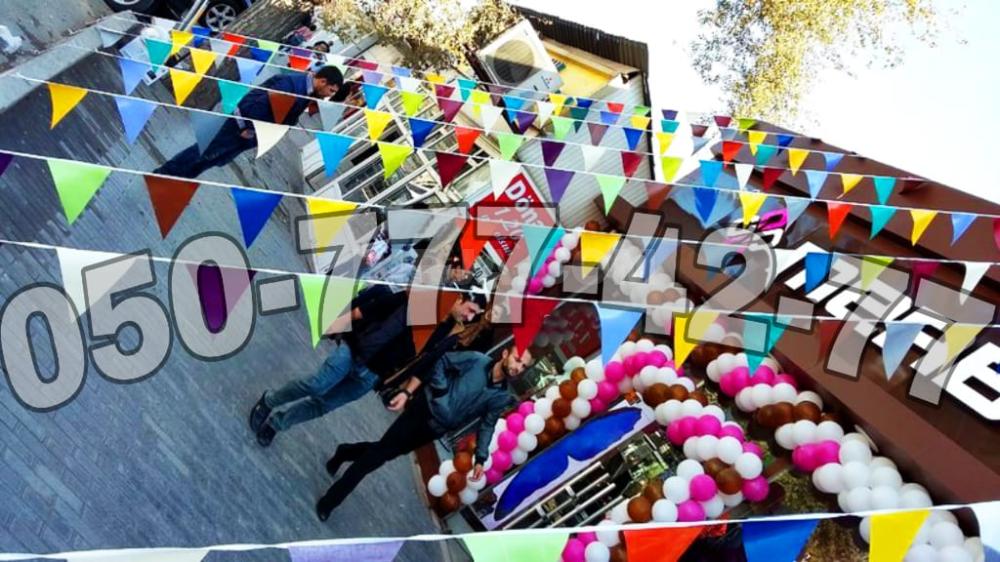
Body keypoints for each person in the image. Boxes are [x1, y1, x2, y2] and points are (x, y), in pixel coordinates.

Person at [314, 342, 534, 521]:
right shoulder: (476, 360)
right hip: (422, 411)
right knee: (376, 457)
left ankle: (345, 451)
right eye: (517, 360)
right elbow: (442, 361)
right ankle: (330, 501)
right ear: (505, 353)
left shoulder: (501, 396)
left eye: (523, 366)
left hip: (435, 429)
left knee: (385, 452)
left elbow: (487, 424)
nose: (518, 367)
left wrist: (481, 458)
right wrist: (441, 392)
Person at [248, 283, 485, 446]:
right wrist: (340, 322)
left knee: (324, 405)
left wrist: (405, 392)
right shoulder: (421, 298)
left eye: (475, 315)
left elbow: (427, 364)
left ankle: (278, 424)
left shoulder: (447, 334)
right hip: (355, 350)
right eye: (471, 310)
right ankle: (270, 400)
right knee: (316, 385)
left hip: (373, 375)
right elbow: (377, 307)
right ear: (459, 298)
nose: (470, 317)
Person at [154, 66, 347, 179]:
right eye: (330, 91)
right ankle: (165, 173)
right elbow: (262, 104)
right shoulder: (292, 86)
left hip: (250, 131)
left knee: (215, 158)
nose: (328, 96)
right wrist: (248, 127)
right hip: (242, 126)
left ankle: (179, 177)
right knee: (204, 151)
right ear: (322, 81)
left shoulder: (305, 91)